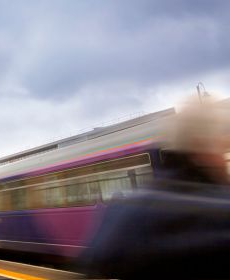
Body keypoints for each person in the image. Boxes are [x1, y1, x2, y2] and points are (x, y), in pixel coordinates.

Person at [81, 96, 230, 279]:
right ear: (201, 146)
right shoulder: (215, 215)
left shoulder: (122, 213)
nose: (222, 158)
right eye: (220, 147)